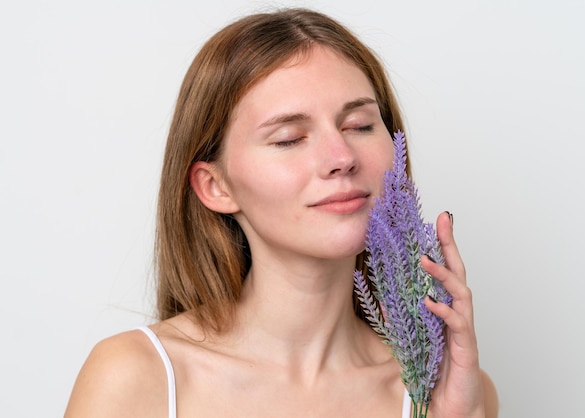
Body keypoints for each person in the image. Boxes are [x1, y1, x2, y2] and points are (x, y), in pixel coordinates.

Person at [64, 7, 498, 418]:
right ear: (215, 187)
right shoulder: (137, 378)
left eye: (360, 125)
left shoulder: (442, 391)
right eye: (289, 137)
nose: (341, 156)